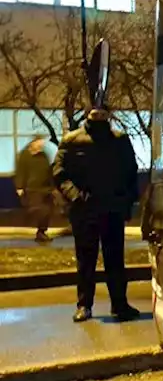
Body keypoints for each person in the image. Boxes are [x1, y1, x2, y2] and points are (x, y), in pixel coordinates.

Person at [52, 108, 141, 323]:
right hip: (85, 209)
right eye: (95, 111)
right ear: (88, 114)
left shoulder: (119, 140)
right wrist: (75, 196)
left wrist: (127, 200)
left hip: (112, 209)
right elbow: (59, 172)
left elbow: (131, 171)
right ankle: (84, 305)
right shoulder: (72, 141)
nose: (99, 115)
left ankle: (119, 304)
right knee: (85, 261)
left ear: (108, 114)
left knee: (116, 261)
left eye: (103, 111)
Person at [15, 135, 54, 243]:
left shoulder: (44, 155)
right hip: (32, 188)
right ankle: (40, 232)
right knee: (40, 210)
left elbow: (48, 170)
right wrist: (19, 186)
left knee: (48, 211)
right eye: (40, 143)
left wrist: (52, 186)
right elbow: (20, 171)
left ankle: (41, 232)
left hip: (45, 188)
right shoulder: (25, 155)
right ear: (34, 143)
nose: (41, 145)